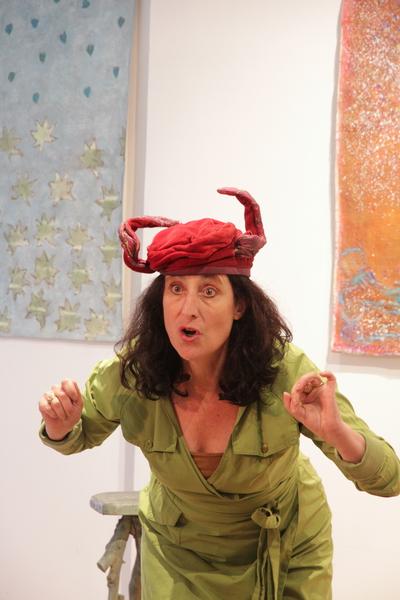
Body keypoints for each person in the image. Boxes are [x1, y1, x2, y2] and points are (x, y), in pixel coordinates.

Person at [39, 187, 400, 600]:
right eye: (176, 288)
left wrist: (337, 432)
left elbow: (389, 479)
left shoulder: (284, 370)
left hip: (283, 544)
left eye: (208, 291)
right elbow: (77, 435)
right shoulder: (134, 372)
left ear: (239, 305)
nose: (188, 308)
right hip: (179, 551)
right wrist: (60, 425)